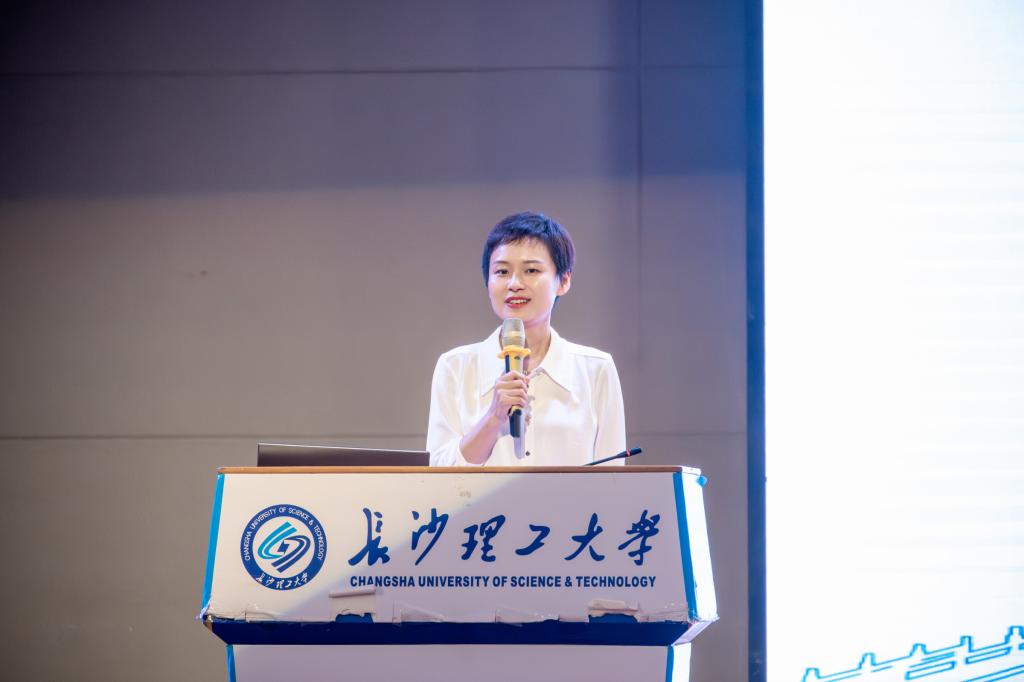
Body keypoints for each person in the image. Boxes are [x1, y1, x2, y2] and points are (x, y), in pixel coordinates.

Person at [427, 211, 626, 466]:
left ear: (564, 281)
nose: (514, 284)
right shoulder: (455, 367)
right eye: (501, 271)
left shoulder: (596, 369)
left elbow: (612, 476)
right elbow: (437, 474)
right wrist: (494, 417)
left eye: (531, 270)